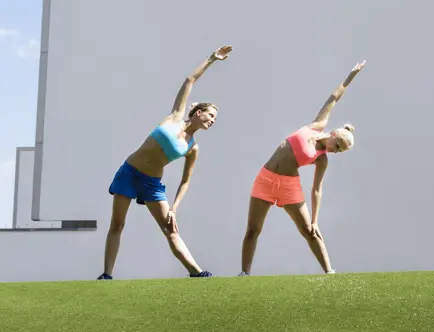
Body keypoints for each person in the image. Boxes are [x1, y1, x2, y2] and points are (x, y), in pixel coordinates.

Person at [97, 45, 233, 280]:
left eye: (215, 119)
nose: (212, 120)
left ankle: (197, 272)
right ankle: (107, 274)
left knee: (170, 229)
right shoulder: (175, 117)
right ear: (198, 111)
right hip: (129, 173)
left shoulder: (193, 148)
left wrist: (174, 208)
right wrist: (212, 59)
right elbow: (190, 80)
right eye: (210, 115)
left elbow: (185, 182)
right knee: (117, 224)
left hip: (152, 183)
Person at [239, 60, 366, 276]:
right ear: (334, 135)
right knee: (252, 230)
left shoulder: (322, 159)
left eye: (339, 152)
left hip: (289, 187)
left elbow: (316, 189)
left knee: (309, 231)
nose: (335, 151)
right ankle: (244, 274)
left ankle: (329, 272)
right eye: (337, 146)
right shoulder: (315, 126)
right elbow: (334, 98)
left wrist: (316, 219)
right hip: (265, 179)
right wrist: (351, 76)